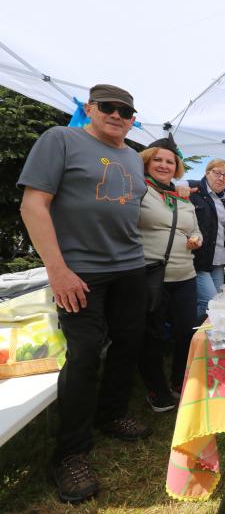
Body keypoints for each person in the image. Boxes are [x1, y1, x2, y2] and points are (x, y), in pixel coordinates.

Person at [18, 84, 150, 503]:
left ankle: (111, 415)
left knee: (129, 343)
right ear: (90, 108)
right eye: (108, 107)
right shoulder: (60, 139)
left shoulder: (132, 155)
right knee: (85, 354)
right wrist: (57, 271)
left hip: (130, 267)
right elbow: (33, 205)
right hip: (81, 272)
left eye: (125, 111)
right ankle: (70, 453)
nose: (117, 115)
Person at [137, 134, 202, 412]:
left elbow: (195, 229)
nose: (164, 165)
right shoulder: (139, 189)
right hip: (152, 275)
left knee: (186, 332)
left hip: (185, 275)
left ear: (177, 168)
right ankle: (156, 389)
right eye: (158, 160)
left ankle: (179, 381)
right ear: (147, 162)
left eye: (170, 161)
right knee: (152, 335)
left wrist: (197, 239)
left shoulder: (183, 197)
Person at [188, 159, 225, 324]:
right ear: (207, 173)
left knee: (217, 303)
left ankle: (204, 336)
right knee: (210, 302)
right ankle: (187, 333)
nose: (221, 178)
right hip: (200, 258)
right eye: (217, 172)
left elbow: (221, 228)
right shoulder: (193, 190)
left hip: (219, 259)